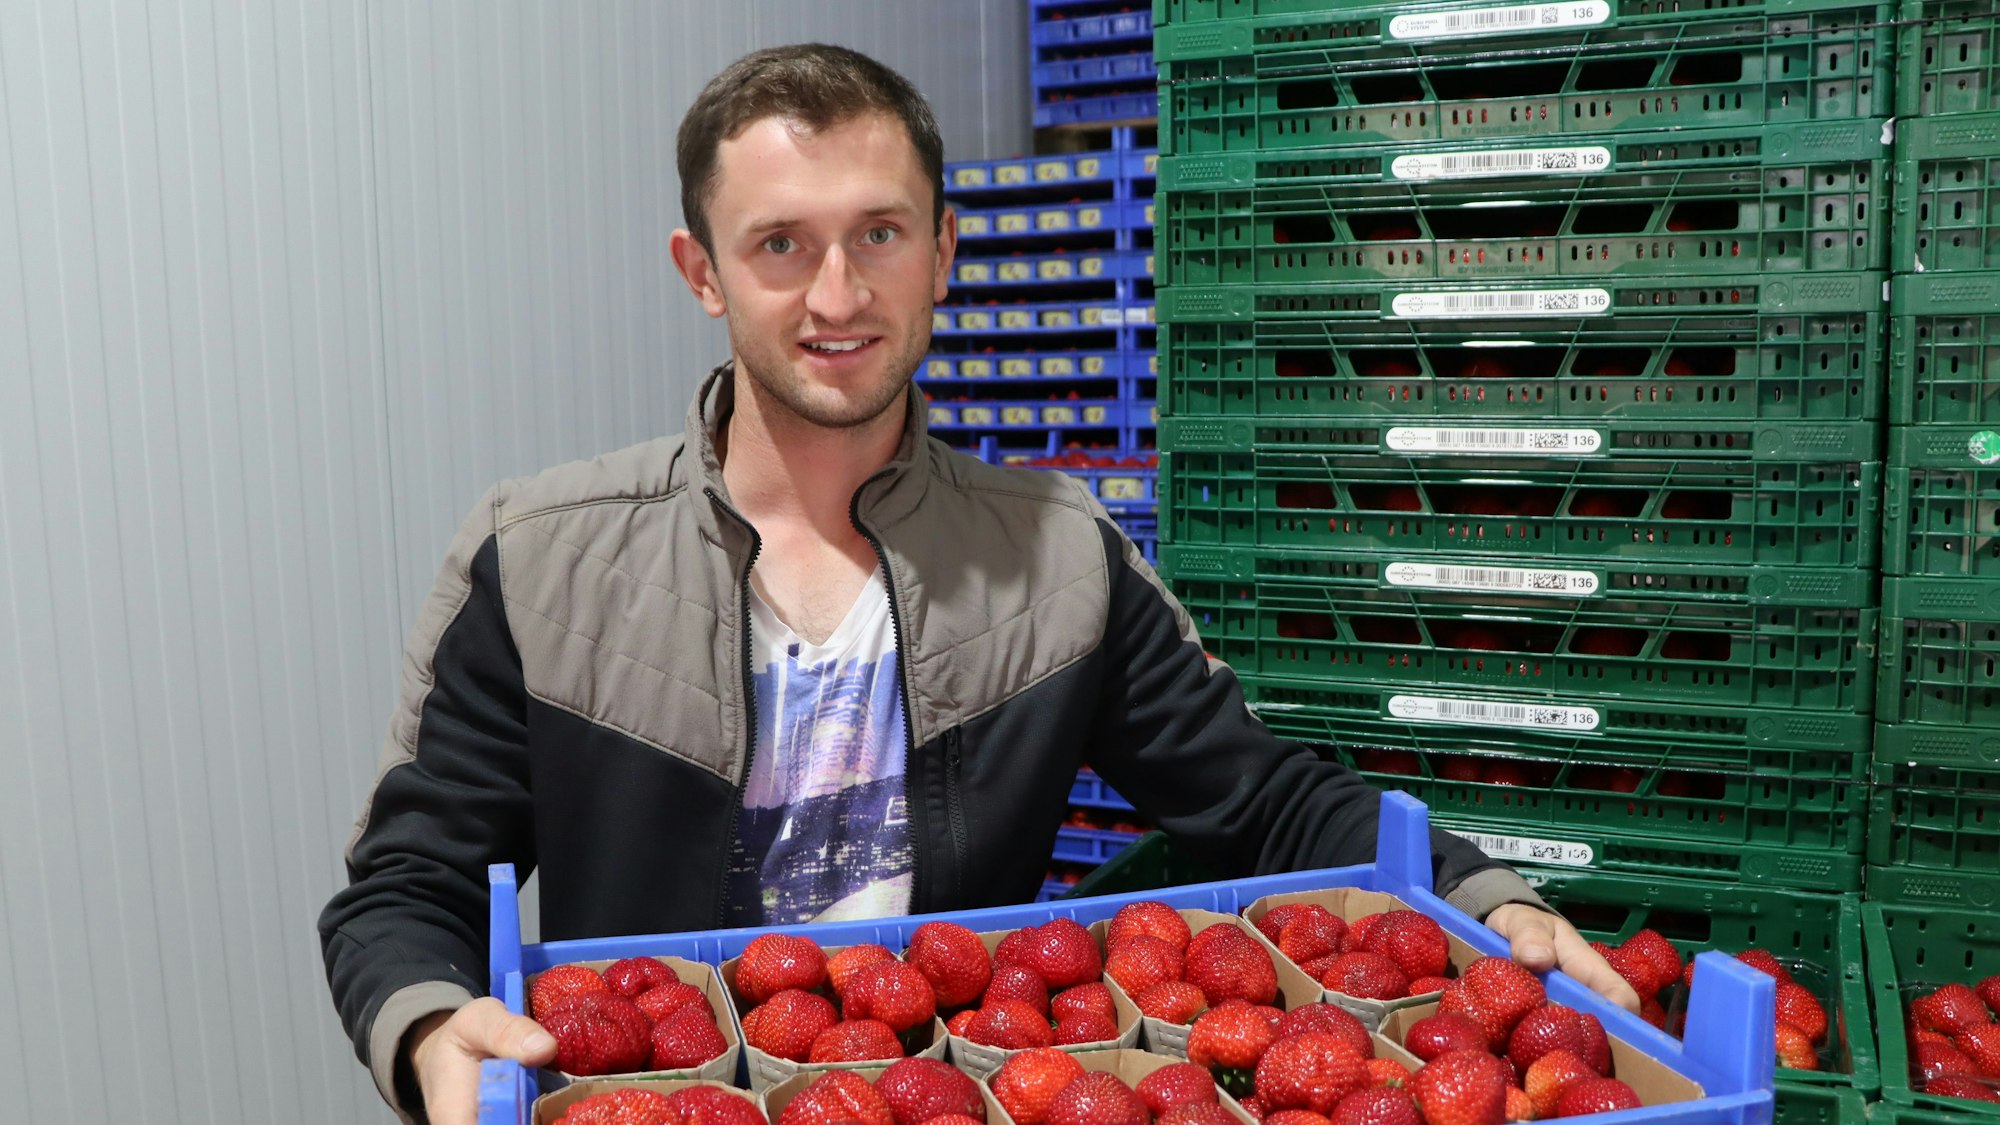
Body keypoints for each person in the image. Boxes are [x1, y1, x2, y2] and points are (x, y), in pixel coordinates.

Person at [319, 43, 1640, 1125]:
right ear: (701, 271)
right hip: (660, 1102)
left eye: (880, 233)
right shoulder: (540, 557)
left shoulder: (1057, 555)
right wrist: (430, 1027)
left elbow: (1264, 802)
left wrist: (1487, 897)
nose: (838, 292)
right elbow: (406, 885)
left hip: (950, 1098)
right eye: (780, 244)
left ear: (944, 252)